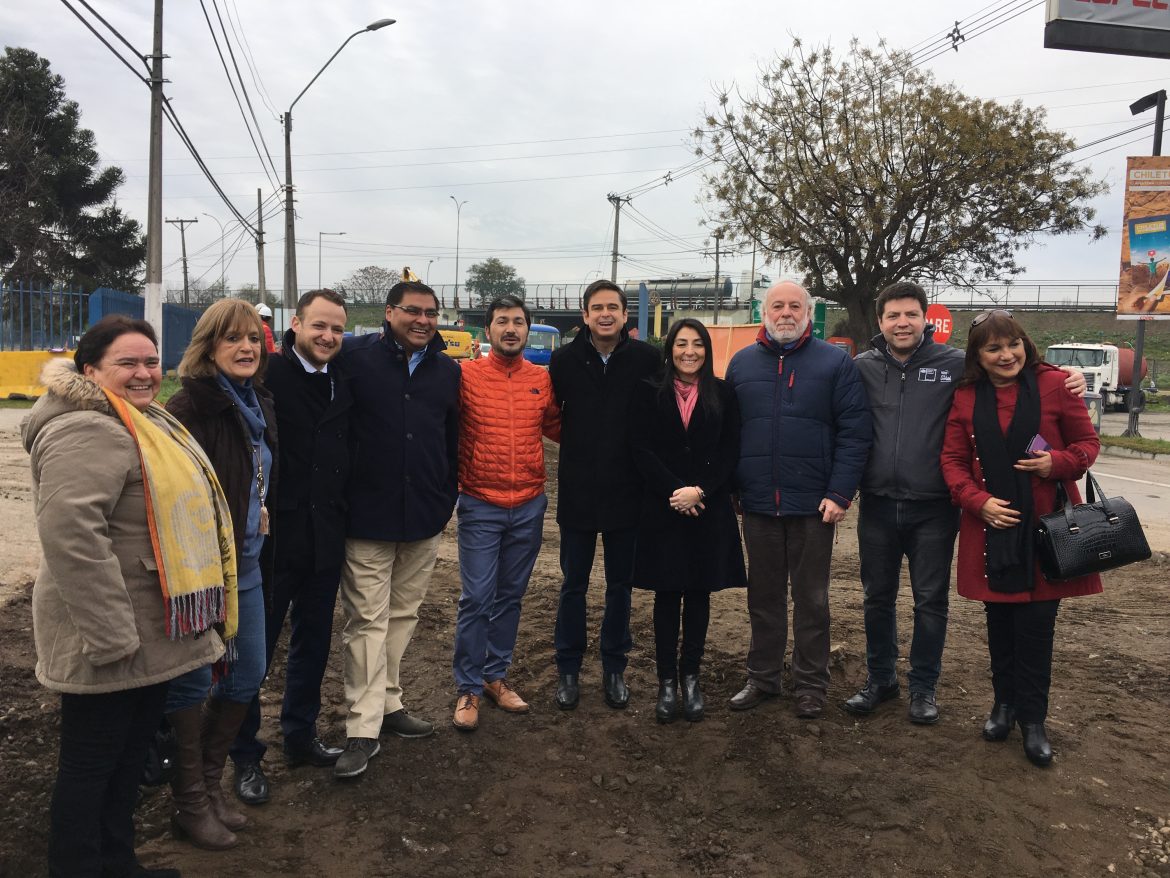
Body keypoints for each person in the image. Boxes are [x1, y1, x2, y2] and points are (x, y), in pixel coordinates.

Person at [22, 316, 230, 878]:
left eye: (151, 361)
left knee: (127, 756)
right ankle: (77, 867)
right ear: (91, 370)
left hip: (148, 630)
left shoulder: (138, 420)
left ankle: (117, 863)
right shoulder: (88, 430)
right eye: (127, 363)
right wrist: (112, 637)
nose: (144, 373)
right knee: (92, 764)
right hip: (109, 634)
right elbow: (72, 537)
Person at [847, 282, 1086, 725]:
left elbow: (1014, 365)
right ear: (880, 322)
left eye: (911, 314)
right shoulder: (861, 367)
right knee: (876, 598)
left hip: (935, 507)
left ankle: (924, 689)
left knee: (929, 601)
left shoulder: (956, 364)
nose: (902, 323)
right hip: (877, 504)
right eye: (893, 315)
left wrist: (1071, 375)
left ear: (926, 319)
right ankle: (881, 680)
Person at [940, 310, 1101, 767]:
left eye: (1013, 344)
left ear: (1025, 345)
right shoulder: (966, 396)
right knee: (1000, 624)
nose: (1006, 354)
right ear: (978, 356)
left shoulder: (1055, 384)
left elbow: (1087, 445)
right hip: (992, 529)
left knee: (1036, 627)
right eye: (993, 348)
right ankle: (1003, 706)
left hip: (1046, 529)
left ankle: (1033, 720)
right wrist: (977, 502)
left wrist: (1057, 464)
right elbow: (952, 460)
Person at [725, 280, 871, 720]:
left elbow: (855, 432)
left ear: (808, 313)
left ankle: (810, 684)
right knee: (763, 598)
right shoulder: (741, 364)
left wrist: (840, 493)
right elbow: (729, 432)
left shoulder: (835, 363)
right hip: (758, 504)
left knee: (812, 600)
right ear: (764, 312)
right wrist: (734, 487)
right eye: (777, 306)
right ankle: (763, 677)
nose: (786, 313)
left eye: (794, 306)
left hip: (814, 506)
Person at [230, 289, 352, 804]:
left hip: (325, 536)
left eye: (337, 329)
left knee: (313, 643)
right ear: (296, 324)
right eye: (319, 325)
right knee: (254, 655)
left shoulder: (343, 378)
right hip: (273, 539)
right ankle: (244, 755)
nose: (327, 336)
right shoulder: (267, 377)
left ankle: (300, 735)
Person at [334, 280, 460, 777]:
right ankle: (362, 728)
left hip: (424, 515)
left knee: (403, 616)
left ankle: (388, 702)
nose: (423, 320)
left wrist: (444, 496)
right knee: (367, 620)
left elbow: (449, 438)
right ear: (389, 313)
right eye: (413, 311)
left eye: (431, 313)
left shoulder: (446, 371)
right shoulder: (353, 358)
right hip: (367, 516)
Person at [164, 298, 278, 849]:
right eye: (232, 338)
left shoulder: (257, 401)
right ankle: (190, 801)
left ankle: (210, 786)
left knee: (247, 673)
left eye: (253, 338)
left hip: (248, 565)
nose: (246, 347)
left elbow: (252, 474)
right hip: (204, 573)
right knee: (192, 683)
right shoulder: (190, 407)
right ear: (209, 347)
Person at [450, 295, 561, 731]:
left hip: (529, 504)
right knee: (477, 598)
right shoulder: (465, 376)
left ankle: (495, 676)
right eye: (502, 321)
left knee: (510, 597)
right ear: (488, 330)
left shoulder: (541, 380)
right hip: (480, 502)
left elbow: (559, 427)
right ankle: (468, 687)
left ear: (527, 329)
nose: (511, 328)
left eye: (518, 321)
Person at [550, 279, 661, 710]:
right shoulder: (563, 361)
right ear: (585, 315)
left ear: (625, 314)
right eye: (597, 308)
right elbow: (551, 418)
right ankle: (568, 669)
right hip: (578, 491)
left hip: (628, 492)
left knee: (621, 586)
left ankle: (615, 668)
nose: (605, 314)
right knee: (573, 585)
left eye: (612, 307)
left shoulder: (647, 359)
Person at [629, 318, 745, 724]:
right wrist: (675, 491)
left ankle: (691, 677)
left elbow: (730, 450)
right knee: (666, 594)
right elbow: (640, 448)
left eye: (697, 344)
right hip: (663, 508)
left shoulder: (724, 394)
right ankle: (666, 682)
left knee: (699, 593)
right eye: (681, 344)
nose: (689, 351)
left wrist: (701, 490)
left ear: (706, 350)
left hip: (707, 508)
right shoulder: (648, 391)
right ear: (670, 348)